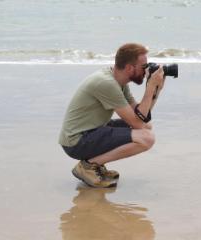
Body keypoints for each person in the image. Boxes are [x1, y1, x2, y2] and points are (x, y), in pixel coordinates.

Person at [59, 43, 165, 188]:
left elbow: (141, 117)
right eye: (143, 67)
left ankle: (96, 163)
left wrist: (155, 90)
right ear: (129, 68)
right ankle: (89, 166)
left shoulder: (119, 82)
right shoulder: (107, 83)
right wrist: (150, 86)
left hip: (91, 131)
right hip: (76, 141)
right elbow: (137, 124)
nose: (146, 71)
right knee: (147, 138)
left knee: (147, 127)